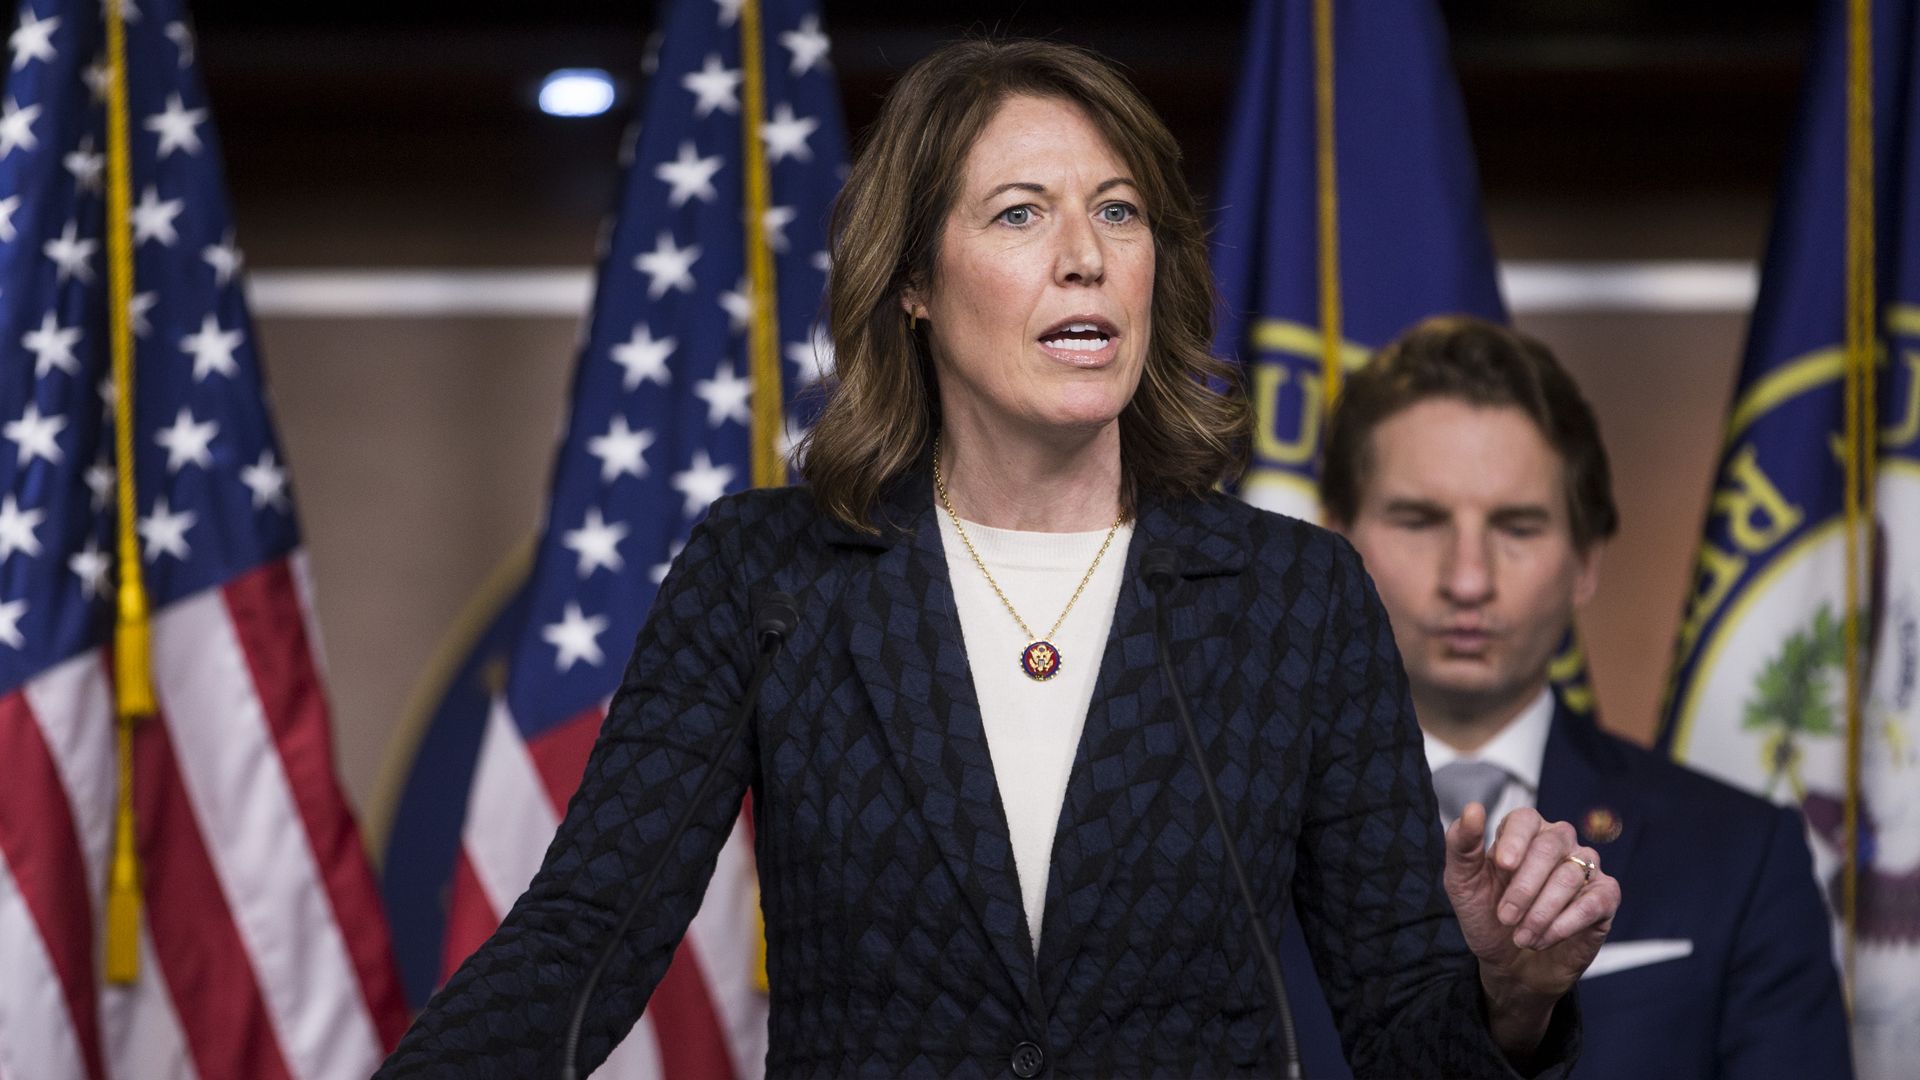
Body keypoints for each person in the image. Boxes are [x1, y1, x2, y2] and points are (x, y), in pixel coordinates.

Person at [377, 42, 1621, 1077]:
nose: (1084, 253)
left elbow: (1407, 1031)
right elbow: (585, 940)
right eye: (1021, 212)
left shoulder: (1294, 597)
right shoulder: (769, 574)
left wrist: (1509, 999)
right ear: (913, 279)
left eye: (1118, 212)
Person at [1284, 315, 1852, 1079]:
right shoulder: (1236, 841)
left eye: (1517, 527)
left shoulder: (1742, 859)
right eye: (1419, 521)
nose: (1468, 580)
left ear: (1586, 560)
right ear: (1334, 549)